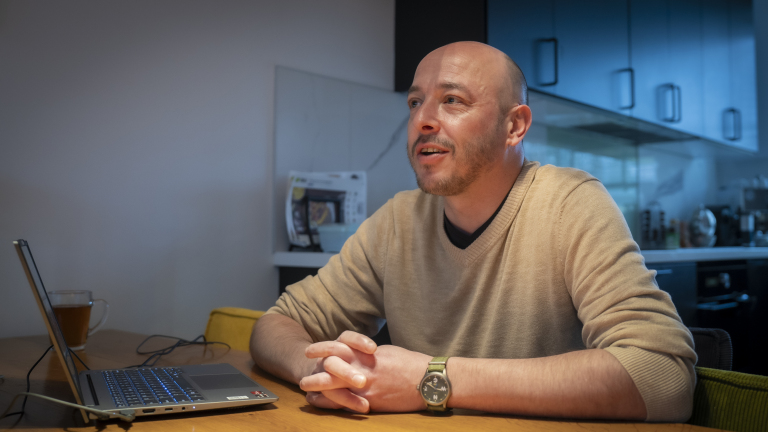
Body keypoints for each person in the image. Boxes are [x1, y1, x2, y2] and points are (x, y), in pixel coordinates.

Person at [251, 41, 696, 422]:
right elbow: (275, 325)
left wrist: (432, 378)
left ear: (514, 126)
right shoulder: (398, 219)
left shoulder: (569, 204)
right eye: (414, 102)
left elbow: (663, 375)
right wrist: (329, 370)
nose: (423, 119)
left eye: (452, 101)